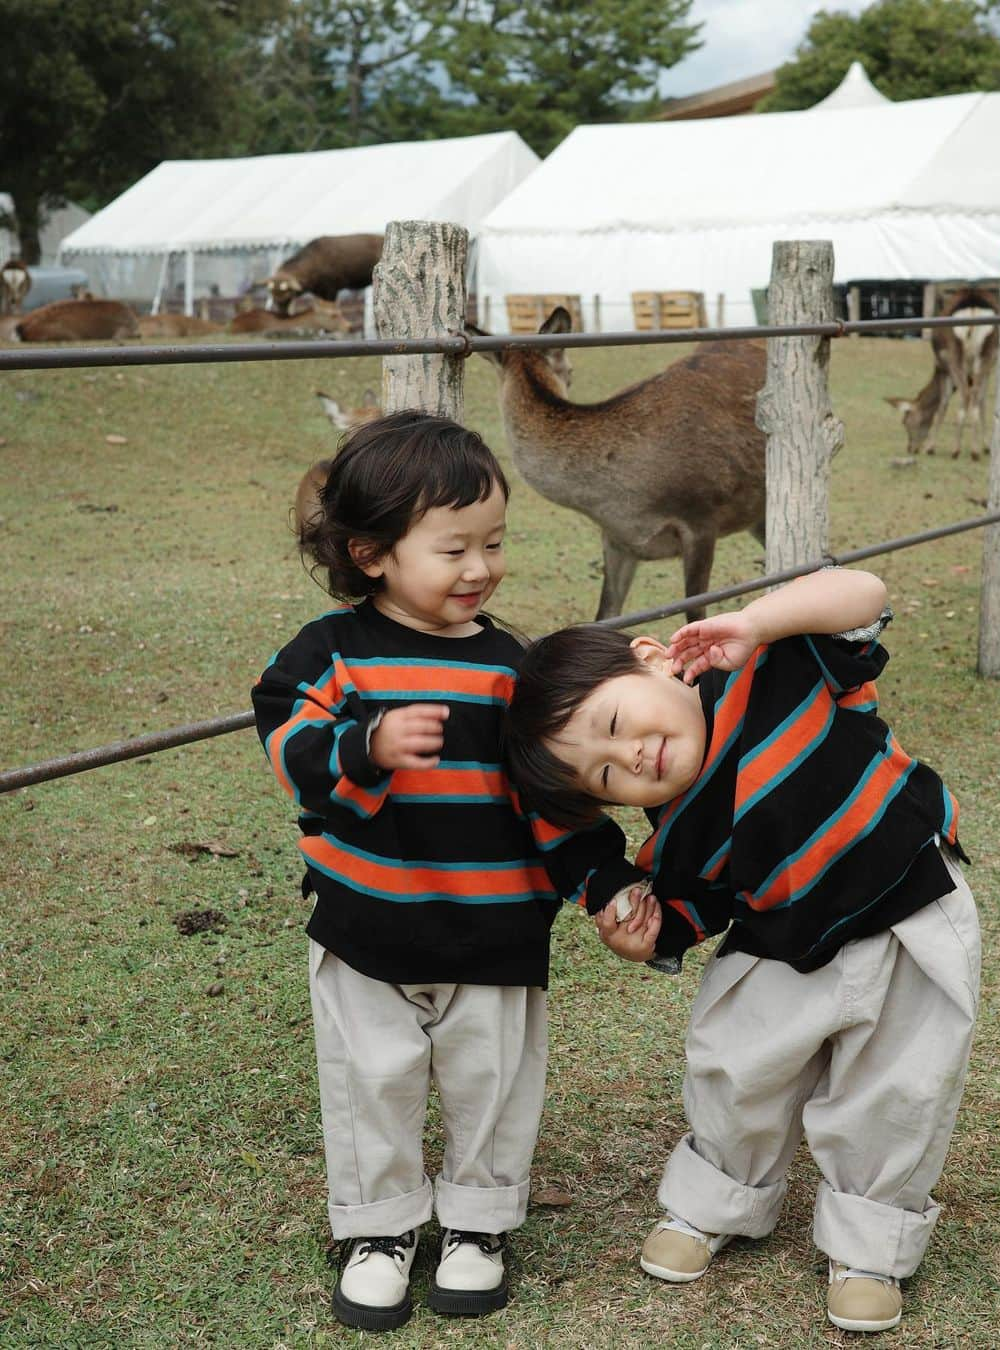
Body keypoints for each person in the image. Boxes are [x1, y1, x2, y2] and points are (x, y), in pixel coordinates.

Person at [504, 569, 980, 1334]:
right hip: (780, 936)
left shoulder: (779, 660)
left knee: (901, 1083)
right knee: (735, 1062)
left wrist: (760, 620)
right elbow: (692, 913)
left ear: (655, 657)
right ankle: (718, 1199)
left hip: (907, 898)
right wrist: (639, 936)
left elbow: (864, 592)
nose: (632, 756)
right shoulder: (674, 833)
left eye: (618, 720)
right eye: (604, 773)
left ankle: (869, 1240)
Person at [251, 411, 642, 1332]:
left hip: (497, 931)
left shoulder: (517, 671)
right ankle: (379, 1231)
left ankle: (478, 1223)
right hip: (365, 927)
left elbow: (559, 801)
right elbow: (285, 734)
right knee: (370, 1080)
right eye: (454, 548)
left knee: (493, 1082)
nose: (481, 568)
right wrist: (366, 746)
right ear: (372, 553)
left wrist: (604, 885)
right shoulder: (330, 654)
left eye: (495, 543)